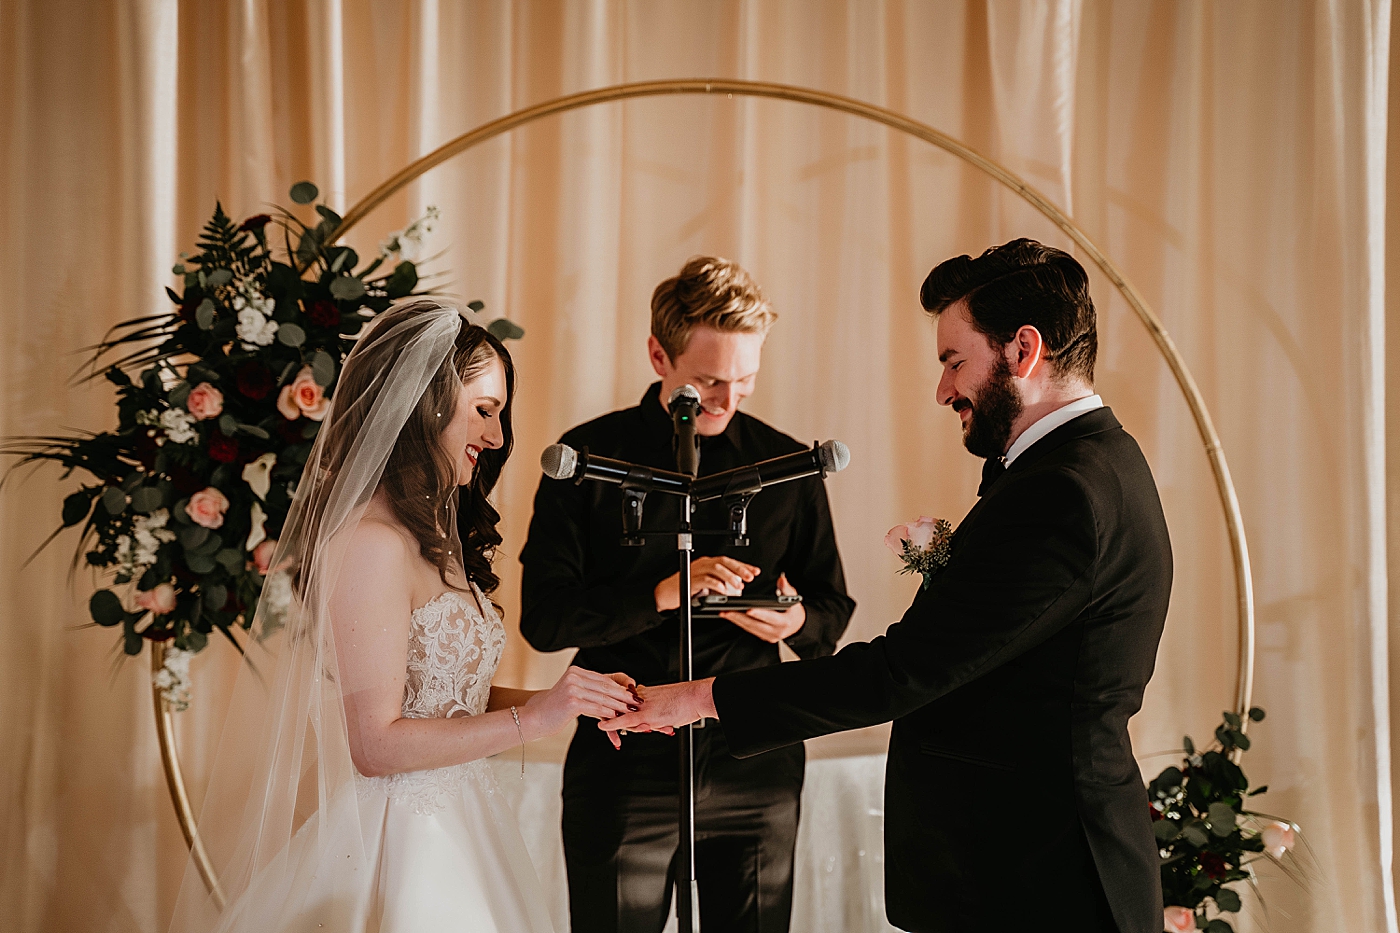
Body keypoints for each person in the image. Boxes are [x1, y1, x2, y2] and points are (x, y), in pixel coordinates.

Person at [603, 240, 1173, 933]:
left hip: (1041, 878)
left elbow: (904, 670)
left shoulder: (1062, 490)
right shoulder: (1091, 464)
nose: (942, 390)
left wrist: (698, 698)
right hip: (1027, 865)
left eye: (953, 360)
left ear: (1024, 350)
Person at [169, 299, 637, 933]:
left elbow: (448, 701)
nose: (498, 438)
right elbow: (376, 744)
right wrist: (539, 716)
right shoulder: (370, 543)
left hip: (465, 825)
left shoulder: (429, 539)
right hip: (403, 843)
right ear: (425, 406)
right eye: (485, 410)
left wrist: (576, 700)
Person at [519, 256, 856, 933]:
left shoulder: (788, 465)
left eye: (746, 379)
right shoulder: (587, 459)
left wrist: (791, 620)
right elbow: (545, 619)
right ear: (657, 354)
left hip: (756, 760)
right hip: (622, 762)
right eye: (708, 380)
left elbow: (831, 610)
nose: (729, 400)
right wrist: (663, 592)